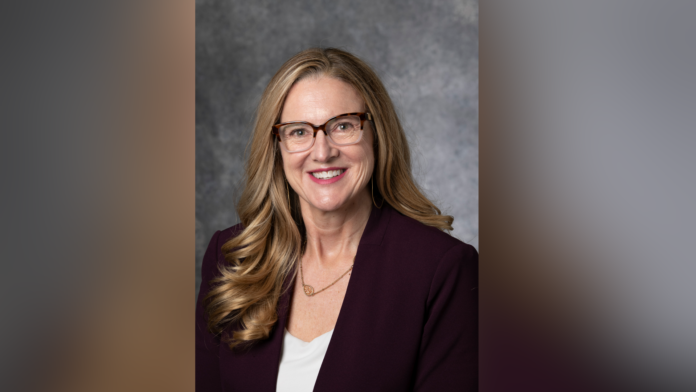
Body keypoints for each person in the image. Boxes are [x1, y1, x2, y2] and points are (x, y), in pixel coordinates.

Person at [196, 48, 478, 391]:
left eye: (343, 126)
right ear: (277, 146)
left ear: (376, 133)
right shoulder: (231, 258)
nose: (322, 151)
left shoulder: (440, 269)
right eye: (299, 131)